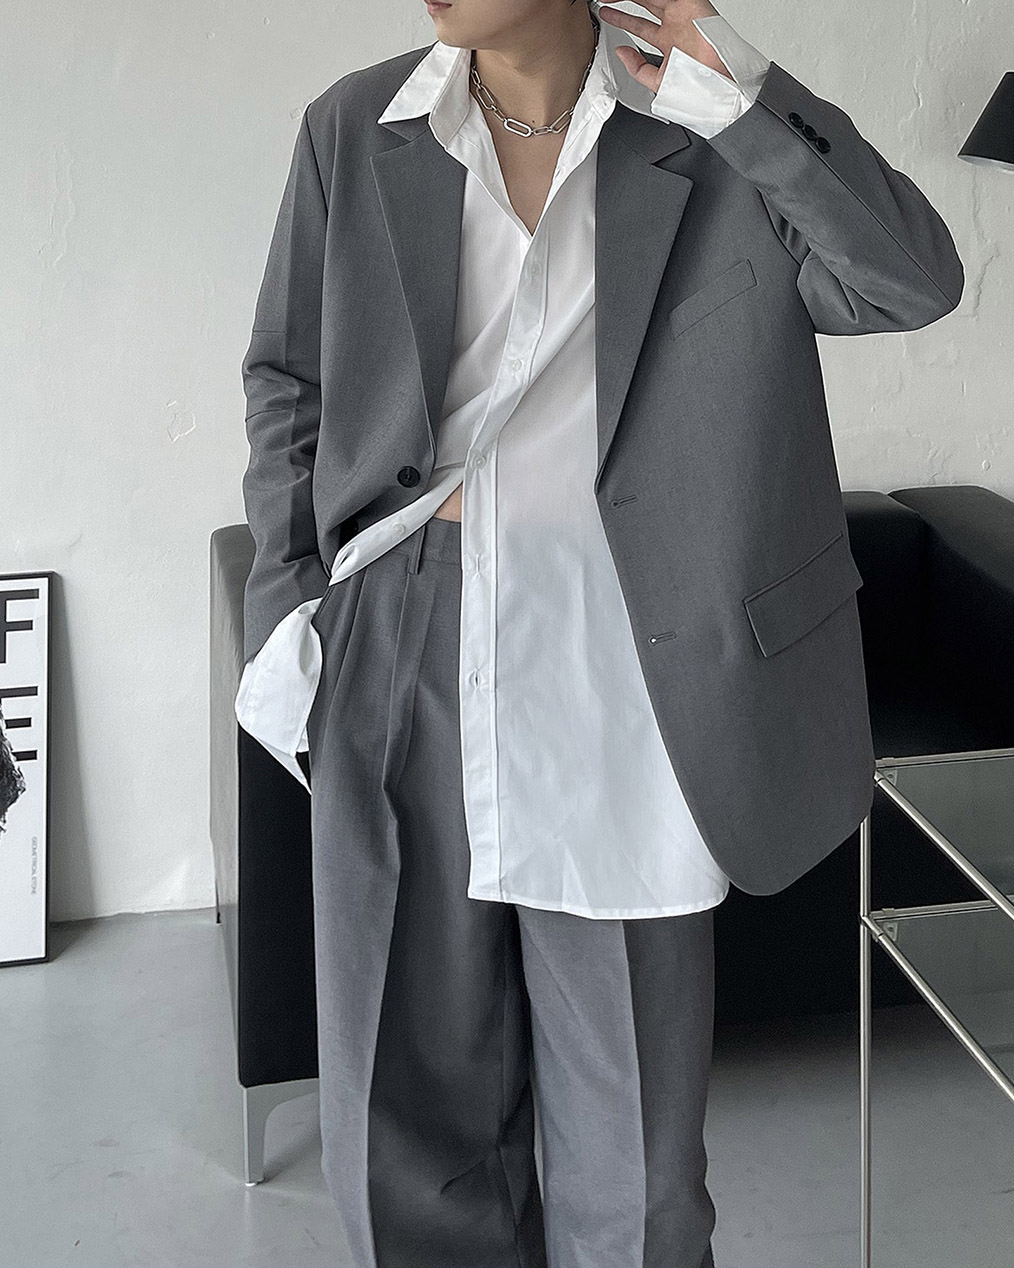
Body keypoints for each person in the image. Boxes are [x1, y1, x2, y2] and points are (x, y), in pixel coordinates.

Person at [234, 2, 963, 1264]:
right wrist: (291, 611)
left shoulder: (706, 125)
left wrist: (739, 89)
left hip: (628, 652)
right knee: (404, 1131)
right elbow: (287, 381)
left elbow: (908, 279)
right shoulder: (356, 128)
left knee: (636, 1175)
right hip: (402, 636)